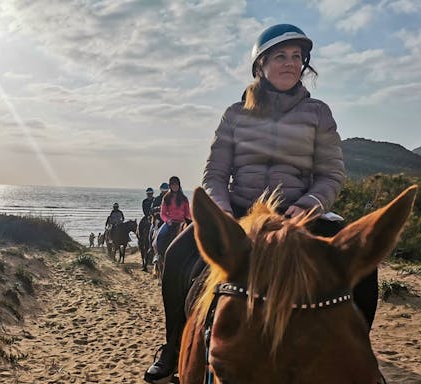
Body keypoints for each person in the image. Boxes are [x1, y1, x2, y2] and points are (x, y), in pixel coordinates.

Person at [143, 24, 373, 384]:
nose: (291, 63)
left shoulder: (319, 113)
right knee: (176, 254)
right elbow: (214, 174)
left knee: (362, 265)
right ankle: (172, 346)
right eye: (281, 56)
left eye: (297, 57)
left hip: (299, 215)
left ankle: (360, 351)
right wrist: (224, 213)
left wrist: (309, 204)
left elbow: (331, 174)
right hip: (240, 213)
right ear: (260, 65)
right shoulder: (235, 114)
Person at [155, 176, 191, 258]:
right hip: (170, 223)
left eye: (176, 184)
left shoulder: (184, 198)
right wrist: (167, 221)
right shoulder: (166, 198)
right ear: (170, 186)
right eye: (173, 185)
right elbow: (163, 213)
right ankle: (158, 255)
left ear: (179, 185)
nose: (175, 186)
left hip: (182, 222)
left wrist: (187, 220)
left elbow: (188, 213)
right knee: (160, 235)